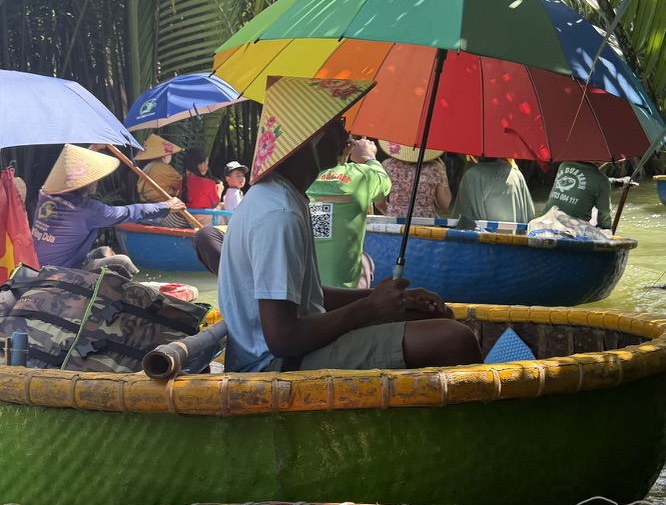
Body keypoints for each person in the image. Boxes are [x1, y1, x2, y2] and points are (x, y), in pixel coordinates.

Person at [219, 76, 481, 374]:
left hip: (289, 349)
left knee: (437, 315)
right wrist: (370, 309)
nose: (347, 135)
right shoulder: (279, 213)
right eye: (337, 125)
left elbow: (311, 297)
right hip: (273, 364)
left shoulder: (284, 198)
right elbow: (282, 338)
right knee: (454, 339)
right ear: (311, 139)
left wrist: (389, 298)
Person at [31, 144, 185, 273]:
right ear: (84, 183)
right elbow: (128, 212)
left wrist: (93, 149)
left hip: (38, 264)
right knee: (122, 262)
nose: (97, 182)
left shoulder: (44, 193)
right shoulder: (88, 210)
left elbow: (73, 171)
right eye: (93, 179)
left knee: (104, 251)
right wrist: (165, 206)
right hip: (64, 271)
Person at [307, 137, 390, 289]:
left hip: (302, 288)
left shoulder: (300, 176)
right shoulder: (361, 175)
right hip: (343, 292)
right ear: (347, 148)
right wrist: (368, 157)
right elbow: (383, 183)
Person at [378, 142, 452, 218]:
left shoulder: (387, 165)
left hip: (395, 223)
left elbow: (378, 202)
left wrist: (393, 213)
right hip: (425, 223)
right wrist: (443, 172)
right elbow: (444, 203)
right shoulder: (435, 168)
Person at [453, 157, 535, 224]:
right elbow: (530, 215)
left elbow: (462, 218)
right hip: (518, 239)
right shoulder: (517, 174)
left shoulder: (471, 175)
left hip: (488, 240)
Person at [542, 161, 612, 229]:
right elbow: (604, 216)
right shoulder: (602, 180)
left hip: (544, 221)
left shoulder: (564, 165)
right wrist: (607, 230)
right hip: (572, 229)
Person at [135, 135, 182, 202]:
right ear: (163, 155)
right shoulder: (162, 168)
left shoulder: (146, 167)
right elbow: (181, 183)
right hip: (162, 204)